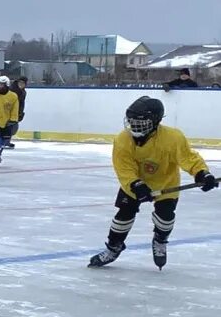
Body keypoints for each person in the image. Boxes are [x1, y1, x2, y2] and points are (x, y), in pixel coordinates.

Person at [89, 96, 215, 270]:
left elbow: (188, 158)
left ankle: (160, 240)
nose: (134, 125)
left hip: (166, 183)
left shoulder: (173, 138)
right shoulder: (122, 140)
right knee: (123, 216)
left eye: (140, 122)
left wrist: (202, 173)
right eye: (131, 121)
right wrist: (136, 185)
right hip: (134, 184)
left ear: (155, 121)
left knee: (166, 218)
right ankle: (113, 247)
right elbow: (124, 168)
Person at [4, 76, 28, 149]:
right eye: (20, 82)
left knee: (13, 128)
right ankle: (5, 142)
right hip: (9, 112)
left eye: (23, 83)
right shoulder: (11, 90)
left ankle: (6, 141)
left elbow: (21, 103)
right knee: (9, 127)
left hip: (17, 112)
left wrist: (20, 113)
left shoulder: (23, 92)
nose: (21, 84)